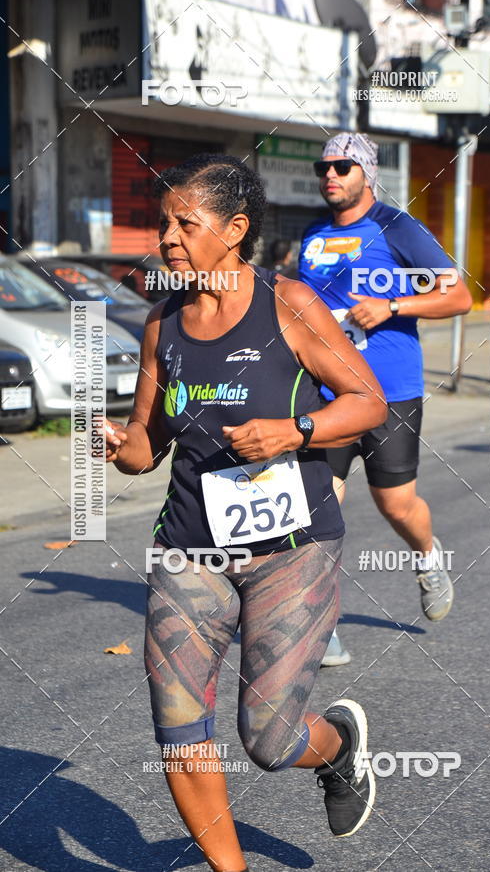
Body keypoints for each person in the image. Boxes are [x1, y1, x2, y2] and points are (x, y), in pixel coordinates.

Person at [104, 153, 386, 872]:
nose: (167, 238)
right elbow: (146, 447)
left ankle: (337, 748)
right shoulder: (162, 325)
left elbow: (368, 402)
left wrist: (295, 432)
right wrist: (117, 445)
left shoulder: (288, 305)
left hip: (292, 550)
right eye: (163, 223)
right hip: (189, 548)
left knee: (268, 738)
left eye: (184, 223)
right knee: (178, 729)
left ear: (233, 230)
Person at [298, 133, 473, 667]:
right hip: (327, 391)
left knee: (396, 504)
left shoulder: (398, 227)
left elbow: (458, 295)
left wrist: (392, 305)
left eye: (342, 167)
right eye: (323, 168)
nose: (330, 175)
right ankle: (320, 627)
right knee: (317, 508)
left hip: (391, 391)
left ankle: (428, 557)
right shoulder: (312, 234)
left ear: (367, 173)